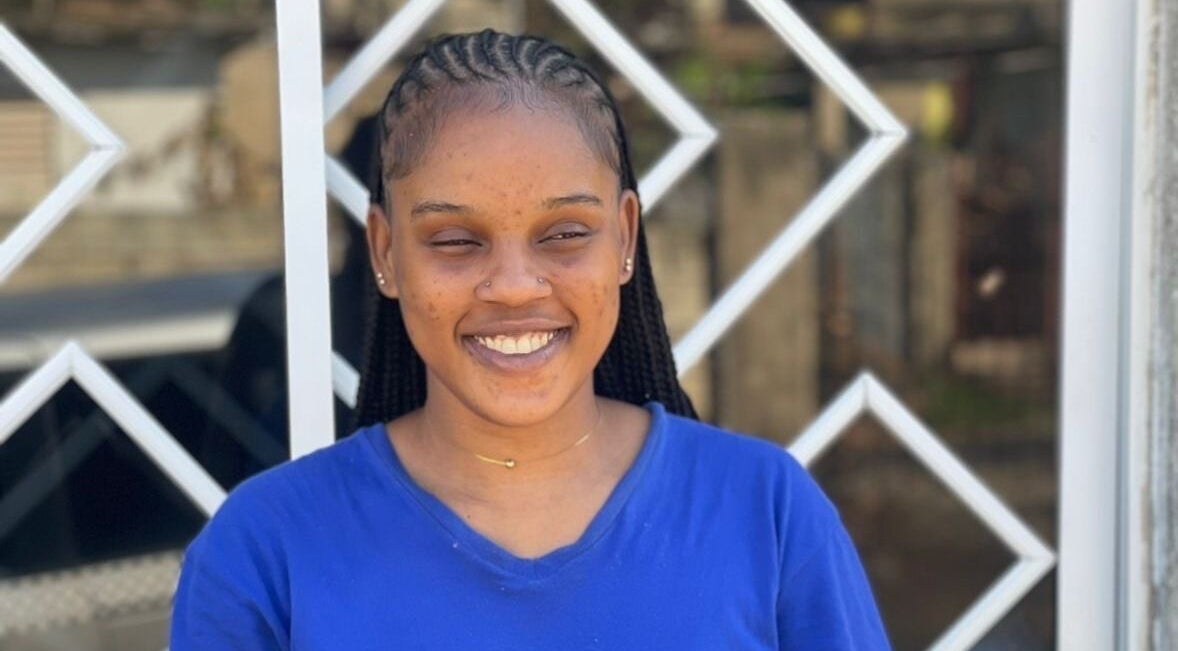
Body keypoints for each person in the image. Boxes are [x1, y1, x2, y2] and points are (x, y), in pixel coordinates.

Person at [170, 29, 891, 650]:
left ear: (626, 237)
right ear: (385, 252)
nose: (514, 285)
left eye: (565, 234)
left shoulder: (766, 515)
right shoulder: (264, 553)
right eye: (454, 239)